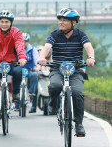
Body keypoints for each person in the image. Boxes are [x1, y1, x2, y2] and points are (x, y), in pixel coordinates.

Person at [38, 8, 95, 136]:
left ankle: (79, 124)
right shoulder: (54, 34)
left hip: (76, 70)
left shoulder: (80, 34)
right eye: (60, 20)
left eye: (65, 20)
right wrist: (42, 57)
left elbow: (88, 47)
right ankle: (53, 101)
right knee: (55, 86)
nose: (61, 22)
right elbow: (47, 47)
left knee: (77, 93)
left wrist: (91, 58)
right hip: (57, 68)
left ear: (73, 23)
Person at [21, 33, 40, 113]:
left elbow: (37, 60)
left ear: (28, 42)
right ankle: (16, 101)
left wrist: (37, 66)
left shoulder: (33, 49)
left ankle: (31, 92)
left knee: (35, 75)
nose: (24, 43)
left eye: (26, 41)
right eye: (22, 41)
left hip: (29, 69)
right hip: (19, 70)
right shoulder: (17, 49)